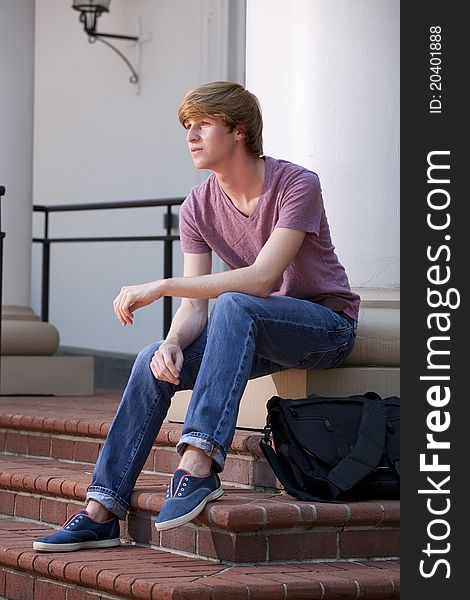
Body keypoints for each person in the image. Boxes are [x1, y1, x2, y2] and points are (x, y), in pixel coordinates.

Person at [33, 81, 360, 552]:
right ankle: (101, 510)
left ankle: (199, 459)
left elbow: (262, 279)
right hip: (251, 328)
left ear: (240, 131)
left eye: (203, 124)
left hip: (324, 326)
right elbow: (194, 308)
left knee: (237, 301)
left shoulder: (296, 183)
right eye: (187, 126)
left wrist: (162, 284)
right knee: (152, 357)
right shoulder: (197, 206)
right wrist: (171, 341)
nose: (191, 136)